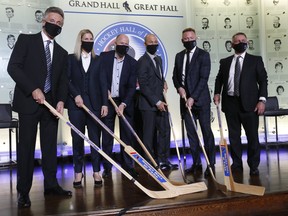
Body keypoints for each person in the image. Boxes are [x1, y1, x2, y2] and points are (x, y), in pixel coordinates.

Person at [7, 6, 72, 208]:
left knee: (50, 148)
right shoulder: (26, 41)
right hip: (28, 103)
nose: (56, 25)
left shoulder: (61, 52)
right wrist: (33, 89)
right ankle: (23, 192)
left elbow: (62, 80)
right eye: (53, 20)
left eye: (60, 23)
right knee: (26, 149)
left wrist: (61, 100)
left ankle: (51, 185)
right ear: (44, 20)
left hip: (50, 107)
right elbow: (13, 67)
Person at [214, 32, 268, 176]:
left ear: (247, 42)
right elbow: (219, 79)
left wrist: (262, 100)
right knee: (234, 136)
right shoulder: (225, 62)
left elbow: (263, 80)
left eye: (243, 40)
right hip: (230, 103)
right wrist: (217, 93)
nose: (240, 42)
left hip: (250, 104)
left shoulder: (255, 60)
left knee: (252, 137)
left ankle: (253, 165)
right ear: (232, 45)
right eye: (237, 41)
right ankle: (237, 164)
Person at [65, 29, 108, 188]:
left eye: (91, 38)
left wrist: (104, 103)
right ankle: (78, 172)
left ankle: (96, 171)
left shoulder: (99, 60)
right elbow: (66, 80)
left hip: (95, 106)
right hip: (75, 106)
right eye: (86, 38)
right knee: (77, 140)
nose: (89, 41)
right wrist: (75, 95)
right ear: (80, 40)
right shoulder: (71, 59)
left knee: (95, 140)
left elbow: (103, 82)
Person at [172, 28, 215, 177]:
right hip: (185, 102)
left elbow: (204, 79)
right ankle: (196, 163)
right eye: (186, 38)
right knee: (192, 135)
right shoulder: (178, 56)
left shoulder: (203, 55)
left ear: (196, 38)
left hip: (201, 101)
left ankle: (210, 164)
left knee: (206, 132)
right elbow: (174, 77)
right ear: (182, 40)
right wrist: (179, 88)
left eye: (191, 38)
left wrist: (193, 97)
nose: (189, 40)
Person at [137, 34, 178, 171]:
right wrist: (156, 101)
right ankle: (150, 163)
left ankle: (164, 160)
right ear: (145, 44)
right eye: (151, 42)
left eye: (155, 42)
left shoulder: (159, 59)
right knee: (149, 135)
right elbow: (143, 85)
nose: (154, 44)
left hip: (162, 103)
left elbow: (158, 77)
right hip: (149, 105)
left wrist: (163, 81)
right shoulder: (142, 61)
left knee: (165, 131)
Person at [101, 34, 139, 178]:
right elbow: (100, 77)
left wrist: (123, 104)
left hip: (125, 103)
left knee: (127, 136)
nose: (124, 45)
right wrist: (105, 90)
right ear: (115, 43)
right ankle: (107, 167)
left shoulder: (132, 63)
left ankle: (128, 166)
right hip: (108, 101)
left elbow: (131, 87)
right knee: (107, 135)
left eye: (126, 43)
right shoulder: (104, 57)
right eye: (121, 43)